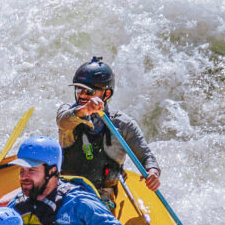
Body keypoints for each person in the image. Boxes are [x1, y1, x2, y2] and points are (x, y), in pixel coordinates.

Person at [56, 56, 161, 201]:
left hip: (102, 199)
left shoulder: (123, 125)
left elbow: (146, 157)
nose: (82, 95)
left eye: (89, 91)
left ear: (107, 94)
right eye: (79, 89)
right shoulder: (68, 112)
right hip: (65, 193)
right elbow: (63, 121)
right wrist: (84, 110)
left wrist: (153, 172)